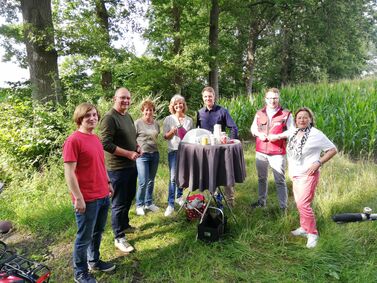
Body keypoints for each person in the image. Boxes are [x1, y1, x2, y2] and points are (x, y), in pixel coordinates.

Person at [269, 107, 337, 248]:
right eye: (299, 118)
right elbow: (282, 135)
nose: (302, 120)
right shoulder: (294, 131)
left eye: (305, 117)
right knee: (300, 204)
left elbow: (333, 150)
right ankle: (304, 227)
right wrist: (270, 136)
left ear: (310, 119)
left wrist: (319, 162)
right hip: (295, 173)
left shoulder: (316, 134)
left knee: (303, 204)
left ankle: (312, 233)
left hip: (308, 174)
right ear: (296, 120)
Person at [63, 103, 115, 283]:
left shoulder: (95, 138)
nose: (92, 118)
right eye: (88, 116)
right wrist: (78, 198)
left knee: (97, 232)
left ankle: (94, 261)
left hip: (102, 195)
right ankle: (80, 273)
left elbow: (99, 164)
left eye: (94, 115)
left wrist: (108, 182)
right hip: (87, 199)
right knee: (83, 237)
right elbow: (69, 173)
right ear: (79, 119)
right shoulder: (73, 140)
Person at [99, 88, 140, 253]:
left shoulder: (128, 116)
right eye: (122, 98)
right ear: (114, 98)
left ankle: (125, 225)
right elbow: (105, 144)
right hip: (117, 168)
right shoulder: (109, 118)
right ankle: (119, 237)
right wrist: (128, 153)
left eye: (128, 98)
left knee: (129, 198)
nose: (126, 101)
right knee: (118, 203)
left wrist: (137, 147)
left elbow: (132, 138)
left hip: (131, 165)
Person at [250, 88, 294, 210]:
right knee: (261, 178)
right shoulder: (259, 113)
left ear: (278, 98)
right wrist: (259, 134)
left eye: (275, 98)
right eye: (270, 98)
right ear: (265, 99)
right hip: (261, 151)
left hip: (277, 152)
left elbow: (292, 131)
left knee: (280, 180)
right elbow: (253, 129)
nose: (272, 101)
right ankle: (261, 202)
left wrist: (278, 136)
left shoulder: (286, 114)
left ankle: (282, 208)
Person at [196, 86, 238, 207]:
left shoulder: (222, 111)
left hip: (221, 149)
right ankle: (215, 200)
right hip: (206, 151)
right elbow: (197, 131)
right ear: (203, 98)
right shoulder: (199, 113)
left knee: (226, 174)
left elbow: (233, 127)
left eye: (210, 96)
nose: (208, 98)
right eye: (205, 96)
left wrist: (229, 141)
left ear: (214, 97)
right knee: (210, 175)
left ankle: (230, 202)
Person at [163, 94, 194, 216]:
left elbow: (191, 136)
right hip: (174, 151)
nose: (178, 105)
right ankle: (170, 204)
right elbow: (165, 136)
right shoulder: (168, 119)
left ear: (184, 105)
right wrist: (172, 131)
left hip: (186, 151)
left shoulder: (189, 120)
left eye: (180, 103)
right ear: (172, 106)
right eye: (176, 104)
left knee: (183, 176)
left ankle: (179, 197)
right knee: (173, 178)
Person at [134, 100, 160, 216]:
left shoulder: (156, 124)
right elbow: (132, 138)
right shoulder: (137, 123)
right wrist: (137, 148)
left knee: (151, 180)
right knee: (143, 181)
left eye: (151, 110)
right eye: (146, 110)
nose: (149, 112)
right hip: (142, 156)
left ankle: (148, 203)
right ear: (142, 111)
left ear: (153, 111)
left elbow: (157, 136)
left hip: (154, 154)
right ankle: (139, 205)